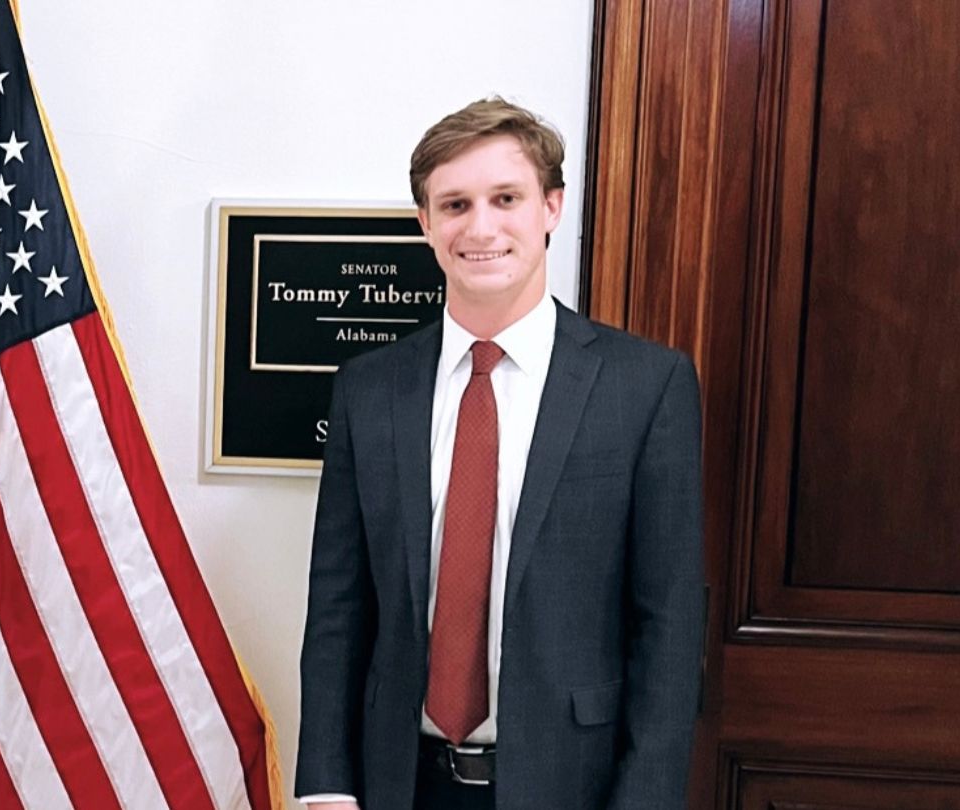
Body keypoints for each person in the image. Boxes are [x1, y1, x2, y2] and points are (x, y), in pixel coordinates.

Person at [295, 97, 705, 809]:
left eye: (505, 198)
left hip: (572, 783)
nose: (480, 228)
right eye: (455, 204)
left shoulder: (646, 386)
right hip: (399, 781)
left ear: (551, 207)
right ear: (426, 223)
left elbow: (668, 624)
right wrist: (325, 785)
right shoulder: (371, 390)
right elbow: (338, 608)